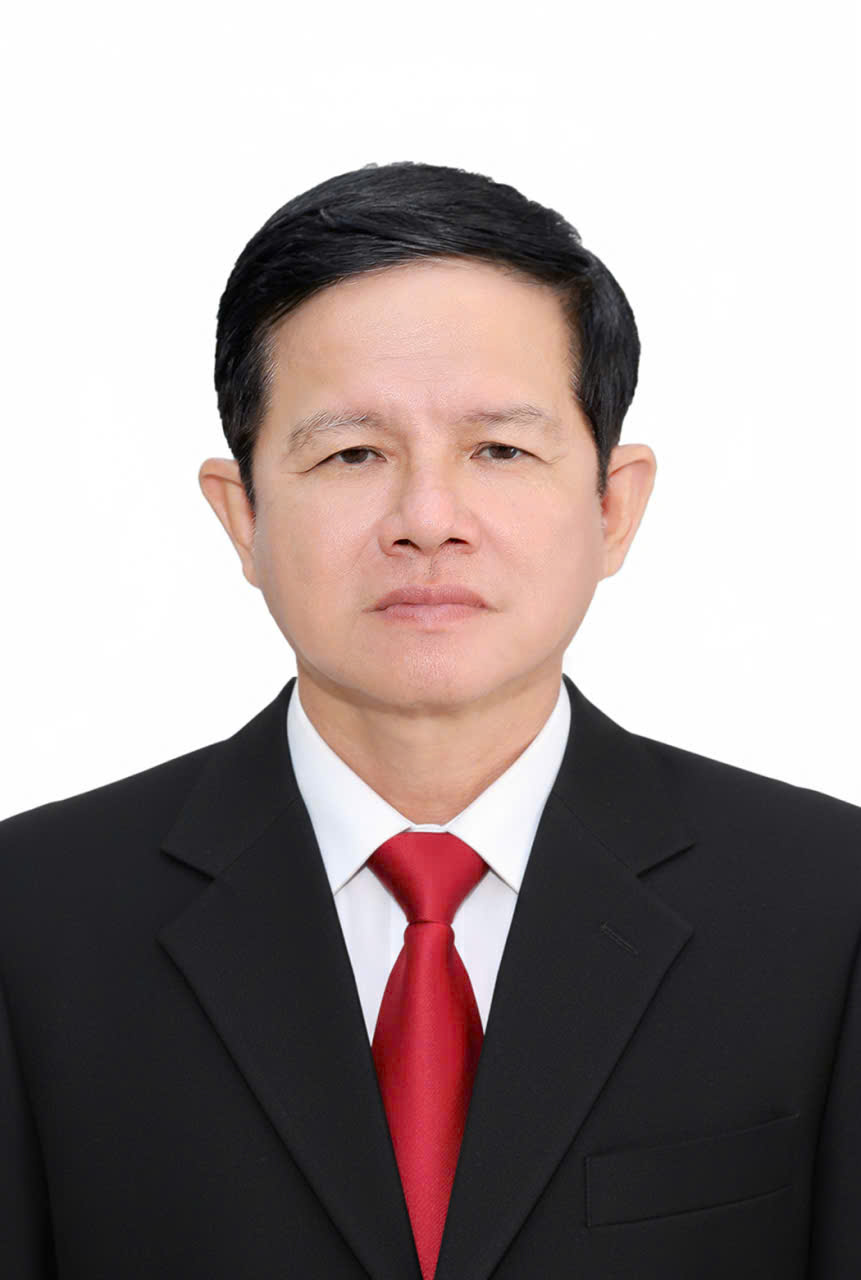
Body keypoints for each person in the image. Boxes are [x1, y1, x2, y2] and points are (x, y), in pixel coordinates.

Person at [1, 160, 858, 1280]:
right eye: (352, 452)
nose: (427, 518)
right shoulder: (32, 918)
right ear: (242, 514)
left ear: (613, 506)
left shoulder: (828, 907)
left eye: (499, 449)